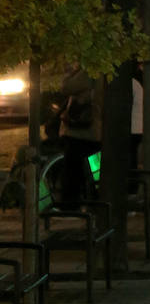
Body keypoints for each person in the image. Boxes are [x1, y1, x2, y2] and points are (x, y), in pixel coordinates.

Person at [58, 65, 102, 208]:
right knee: (95, 169)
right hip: (97, 129)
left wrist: (70, 71)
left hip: (81, 131)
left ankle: (70, 205)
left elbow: (66, 87)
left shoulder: (89, 71)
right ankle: (97, 201)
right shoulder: (106, 70)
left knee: (72, 170)